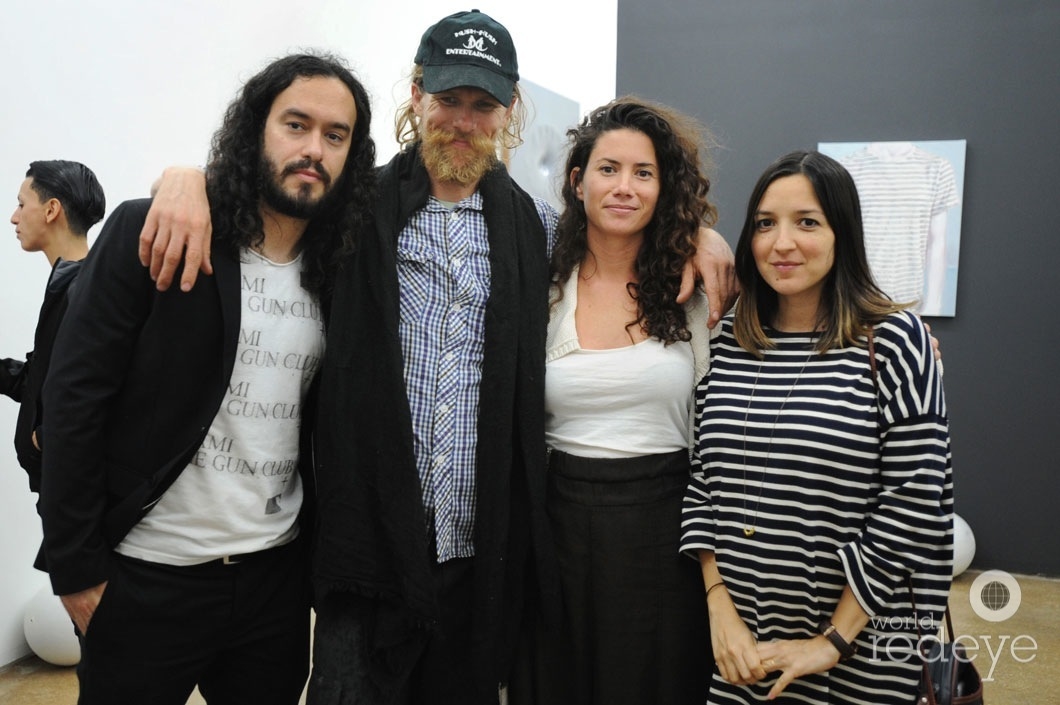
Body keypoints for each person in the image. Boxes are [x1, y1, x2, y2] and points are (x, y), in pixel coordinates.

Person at [139, 11, 739, 704]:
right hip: (365, 556)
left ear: (508, 111)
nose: (463, 120)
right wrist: (186, 177)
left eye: (482, 105)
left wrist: (697, 231)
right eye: (448, 99)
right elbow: (268, 191)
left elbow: (618, 233)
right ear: (417, 93)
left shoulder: (537, 234)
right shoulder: (351, 208)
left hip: (478, 562)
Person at [37, 52, 375, 705]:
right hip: (145, 580)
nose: (314, 149)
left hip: (272, 587)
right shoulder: (154, 231)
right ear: (255, 130)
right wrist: (75, 569)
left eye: (336, 135)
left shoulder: (340, 268)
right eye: (296, 124)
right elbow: (73, 398)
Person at [680, 150, 953, 704]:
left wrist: (831, 639)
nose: (782, 243)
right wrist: (718, 607)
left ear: (842, 233)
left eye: (807, 222)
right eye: (765, 224)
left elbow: (916, 499)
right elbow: (702, 479)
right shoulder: (731, 340)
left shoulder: (895, 340)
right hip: (743, 648)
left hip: (859, 650)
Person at [511, 97, 717, 705]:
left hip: (667, 528)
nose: (624, 187)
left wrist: (895, 343)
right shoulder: (540, 285)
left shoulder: (699, 290)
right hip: (557, 526)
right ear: (577, 182)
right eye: (608, 169)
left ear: (663, 188)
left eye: (643, 173)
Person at [2, 160, 105, 493]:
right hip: (57, 492)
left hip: (71, 495)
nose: (14, 217)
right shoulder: (70, 284)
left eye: (21, 204)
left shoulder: (86, 291)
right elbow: (39, 382)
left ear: (51, 210)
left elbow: (104, 389)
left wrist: (44, 440)